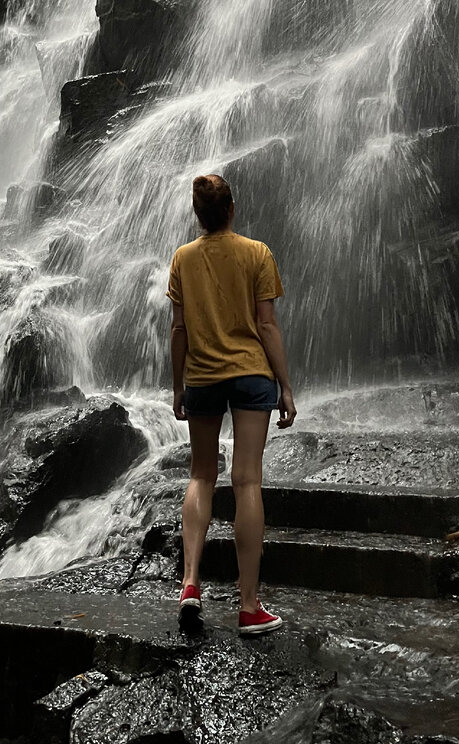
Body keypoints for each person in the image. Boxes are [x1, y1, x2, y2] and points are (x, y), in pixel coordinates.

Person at [167, 173, 296, 636]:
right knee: (246, 480)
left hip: (201, 376)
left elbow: (178, 329)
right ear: (232, 209)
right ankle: (248, 606)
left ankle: (189, 584)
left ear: (198, 214)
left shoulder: (182, 258)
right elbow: (267, 325)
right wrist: (285, 385)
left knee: (201, 474)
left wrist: (177, 385)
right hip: (250, 374)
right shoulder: (257, 253)